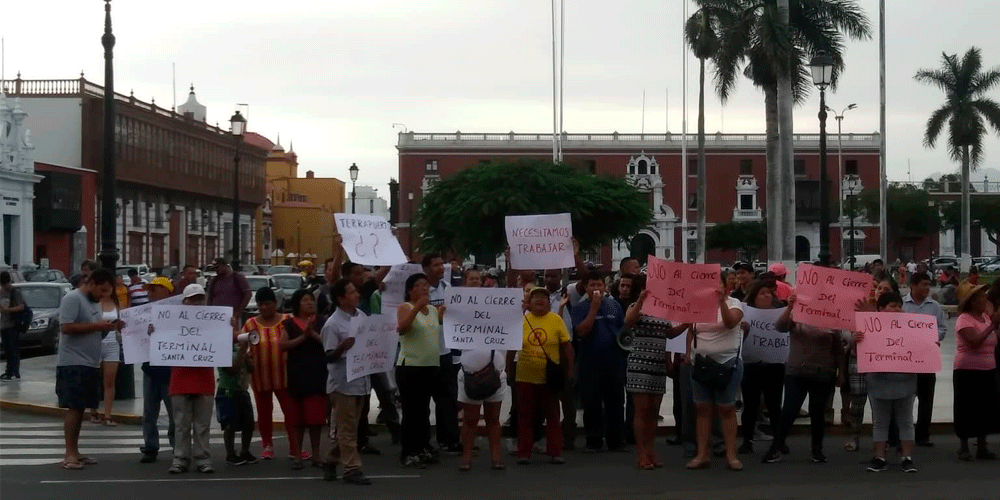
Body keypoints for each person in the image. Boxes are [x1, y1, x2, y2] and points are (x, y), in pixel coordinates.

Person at [763, 293, 844, 464]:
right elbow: (779, 327)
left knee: (817, 411)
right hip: (796, 371)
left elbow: (839, 350)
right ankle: (776, 447)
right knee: (789, 409)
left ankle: (817, 450)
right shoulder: (796, 314)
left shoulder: (832, 318)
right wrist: (790, 307)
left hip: (823, 372)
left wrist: (841, 373)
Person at [57, 269, 123, 470]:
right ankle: (69, 453)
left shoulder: (94, 303)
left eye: (107, 292)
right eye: (101, 290)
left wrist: (108, 328)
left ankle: (75, 451)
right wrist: (96, 326)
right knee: (74, 407)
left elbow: (95, 332)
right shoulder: (72, 298)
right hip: (72, 363)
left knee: (82, 408)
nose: (102, 296)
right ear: (91, 282)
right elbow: (66, 327)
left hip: (91, 362)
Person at [624, 277, 688, 469]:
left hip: (658, 365)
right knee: (641, 411)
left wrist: (687, 323)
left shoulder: (663, 310)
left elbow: (669, 334)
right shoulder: (636, 306)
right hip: (639, 365)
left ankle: (651, 450)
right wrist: (642, 300)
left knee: (654, 412)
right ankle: (641, 453)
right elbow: (629, 321)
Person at [855, 291, 919, 473]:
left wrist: (928, 345)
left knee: (905, 420)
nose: (897, 309)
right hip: (878, 381)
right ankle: (879, 457)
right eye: (892, 306)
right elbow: (856, 353)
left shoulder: (911, 326)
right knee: (880, 422)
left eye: (899, 306)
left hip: (905, 380)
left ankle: (907, 457)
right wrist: (855, 341)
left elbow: (921, 347)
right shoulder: (868, 326)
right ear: (881, 309)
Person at [686, 277, 745, 471]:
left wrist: (721, 303)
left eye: (716, 284)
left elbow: (729, 323)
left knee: (726, 409)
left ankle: (731, 455)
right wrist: (688, 353)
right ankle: (702, 454)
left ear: (724, 287)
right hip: (700, 363)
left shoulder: (733, 304)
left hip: (727, 363)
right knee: (702, 409)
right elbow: (692, 330)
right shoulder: (697, 306)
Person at [512, 288, 574, 464]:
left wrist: (570, 370)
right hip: (524, 376)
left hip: (549, 378)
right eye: (536, 297)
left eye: (543, 297)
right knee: (525, 416)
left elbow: (567, 347)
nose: (540, 300)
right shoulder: (522, 320)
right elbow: (511, 347)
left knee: (553, 415)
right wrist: (510, 370)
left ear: (549, 302)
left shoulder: (556, 320)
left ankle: (555, 451)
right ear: (529, 303)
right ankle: (524, 452)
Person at [321, 278, 373, 485]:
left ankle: (331, 460)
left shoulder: (360, 316)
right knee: (346, 429)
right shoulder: (332, 324)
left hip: (361, 380)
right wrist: (342, 347)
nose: (357, 295)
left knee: (351, 427)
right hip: (343, 384)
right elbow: (329, 356)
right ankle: (352, 468)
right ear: (341, 299)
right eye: (352, 292)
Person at [571, 271, 627, 452]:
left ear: (605, 287)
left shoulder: (614, 306)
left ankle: (615, 440)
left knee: (616, 402)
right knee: (591, 403)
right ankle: (593, 440)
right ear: (586, 288)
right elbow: (581, 331)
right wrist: (594, 308)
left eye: (599, 285)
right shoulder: (580, 308)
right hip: (590, 362)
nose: (596, 289)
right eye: (592, 285)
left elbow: (622, 330)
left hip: (613, 361)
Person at [164, 284, 217, 474]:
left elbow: (229, 340)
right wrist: (152, 331)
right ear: (184, 302)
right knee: (181, 424)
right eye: (192, 299)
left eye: (200, 298)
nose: (196, 303)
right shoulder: (171, 322)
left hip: (204, 379)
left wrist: (231, 327)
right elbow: (158, 343)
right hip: (180, 378)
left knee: (202, 424)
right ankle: (180, 458)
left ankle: (203, 459)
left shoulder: (214, 321)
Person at [844, 275, 900, 452]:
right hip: (858, 360)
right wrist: (852, 339)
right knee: (858, 400)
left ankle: (882, 440)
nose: (880, 292)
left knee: (881, 402)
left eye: (885, 289)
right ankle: (854, 436)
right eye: (878, 288)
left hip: (881, 362)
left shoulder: (894, 312)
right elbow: (844, 340)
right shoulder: (856, 308)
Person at [241, 287, 294, 460]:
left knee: (291, 412)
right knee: (264, 414)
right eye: (261, 304)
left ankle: (295, 447)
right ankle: (267, 446)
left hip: (285, 377)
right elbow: (240, 345)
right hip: (260, 377)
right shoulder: (250, 324)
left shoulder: (287, 320)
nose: (264, 308)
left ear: (275, 304)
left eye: (268, 303)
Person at [396, 273, 442, 467]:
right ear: (410, 290)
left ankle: (423, 446)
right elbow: (402, 328)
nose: (424, 288)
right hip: (410, 367)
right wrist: (417, 307)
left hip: (430, 366)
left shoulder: (433, 310)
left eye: (426, 284)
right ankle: (408, 450)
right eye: (419, 285)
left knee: (423, 410)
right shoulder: (405, 307)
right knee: (411, 411)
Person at [279, 289, 328, 469]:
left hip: (317, 374)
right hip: (297, 374)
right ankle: (298, 455)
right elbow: (282, 345)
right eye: (305, 300)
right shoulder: (290, 324)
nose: (310, 303)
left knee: (316, 420)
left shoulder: (321, 322)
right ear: (297, 304)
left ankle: (316, 455)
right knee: (297, 420)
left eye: (311, 300)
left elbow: (328, 343)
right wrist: (303, 337)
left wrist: (312, 334)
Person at [953, 283, 1000, 461]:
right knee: (966, 407)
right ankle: (964, 446)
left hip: (988, 368)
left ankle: (982, 445)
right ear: (972, 302)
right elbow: (974, 342)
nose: (985, 299)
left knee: (985, 407)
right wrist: (992, 325)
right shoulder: (964, 319)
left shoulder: (985, 318)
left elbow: (994, 338)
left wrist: (994, 325)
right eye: (981, 297)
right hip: (967, 370)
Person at [739, 279, 785, 455]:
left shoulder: (778, 310)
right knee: (750, 405)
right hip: (752, 364)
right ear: (755, 295)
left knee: (774, 404)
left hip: (774, 364)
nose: (766, 296)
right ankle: (747, 440)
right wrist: (745, 329)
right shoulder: (745, 312)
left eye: (768, 293)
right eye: (762, 293)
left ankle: (779, 440)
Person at [902, 272, 947, 448]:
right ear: (913, 285)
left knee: (926, 399)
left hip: (927, 359)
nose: (927, 288)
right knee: (905, 400)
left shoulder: (934, 307)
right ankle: (904, 434)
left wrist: (933, 337)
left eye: (929, 285)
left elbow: (942, 328)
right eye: (924, 284)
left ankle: (922, 435)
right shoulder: (902, 305)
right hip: (906, 360)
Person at [422, 253, 461, 453]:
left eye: (441, 265)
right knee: (423, 402)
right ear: (426, 268)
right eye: (436, 265)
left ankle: (449, 439)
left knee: (448, 398)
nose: (440, 268)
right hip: (424, 353)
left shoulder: (449, 289)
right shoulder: (419, 290)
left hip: (445, 350)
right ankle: (424, 442)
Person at [140, 278, 177, 463]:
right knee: (149, 412)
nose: (150, 293)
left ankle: (177, 445)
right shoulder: (143, 313)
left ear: (167, 291)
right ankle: (150, 446)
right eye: (149, 290)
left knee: (174, 413)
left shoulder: (179, 312)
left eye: (154, 289)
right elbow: (130, 337)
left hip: (171, 370)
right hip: (150, 369)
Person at [457, 347, 507, 471]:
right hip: (469, 376)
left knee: (493, 418)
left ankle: (495, 458)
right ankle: (466, 457)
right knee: (470, 418)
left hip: (496, 374)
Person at [217, 316, 256, 466]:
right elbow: (232, 370)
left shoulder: (240, 347)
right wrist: (242, 352)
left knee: (248, 423)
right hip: (228, 391)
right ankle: (230, 454)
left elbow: (251, 370)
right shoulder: (222, 348)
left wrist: (249, 361)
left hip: (242, 389)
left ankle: (245, 451)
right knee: (230, 424)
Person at [91, 281, 123, 426]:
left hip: (112, 343)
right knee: (94, 379)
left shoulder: (118, 304)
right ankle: (93, 411)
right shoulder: (93, 304)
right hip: (95, 343)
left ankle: (108, 415)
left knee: (109, 381)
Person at [207, 257, 251, 323]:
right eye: (214, 268)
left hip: (232, 318)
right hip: (216, 318)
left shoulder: (237, 277)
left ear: (225, 265)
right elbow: (210, 298)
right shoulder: (214, 281)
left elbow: (248, 295)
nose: (216, 270)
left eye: (217, 267)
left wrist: (237, 313)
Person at [0, 271, 26, 381]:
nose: (3, 287)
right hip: (3, 324)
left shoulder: (15, 292)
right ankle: (8, 371)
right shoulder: (0, 293)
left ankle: (14, 372)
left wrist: (8, 310)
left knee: (13, 349)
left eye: (4, 284)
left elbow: (21, 307)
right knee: (7, 349)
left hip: (13, 324)